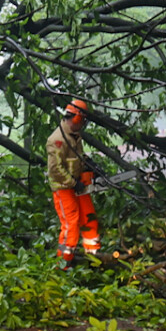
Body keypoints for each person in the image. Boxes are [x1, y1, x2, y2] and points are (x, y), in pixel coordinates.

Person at [47, 98, 101, 265]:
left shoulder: (74, 135)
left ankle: (93, 256)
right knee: (71, 224)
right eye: (82, 120)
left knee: (89, 218)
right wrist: (73, 183)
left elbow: (77, 157)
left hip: (76, 182)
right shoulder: (57, 139)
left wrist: (89, 165)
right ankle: (63, 263)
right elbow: (55, 169)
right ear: (77, 118)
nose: (83, 124)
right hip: (63, 186)